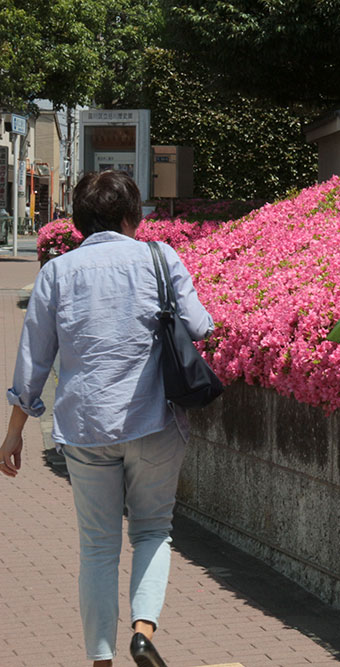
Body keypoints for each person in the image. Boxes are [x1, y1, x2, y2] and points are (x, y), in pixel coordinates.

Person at [1, 171, 214, 667]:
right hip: (155, 421)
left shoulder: (57, 273)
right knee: (152, 530)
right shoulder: (161, 258)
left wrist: (14, 432)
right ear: (130, 216)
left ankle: (102, 660)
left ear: (79, 221)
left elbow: (32, 361)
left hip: (85, 427)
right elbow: (200, 326)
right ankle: (143, 631)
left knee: (97, 547)